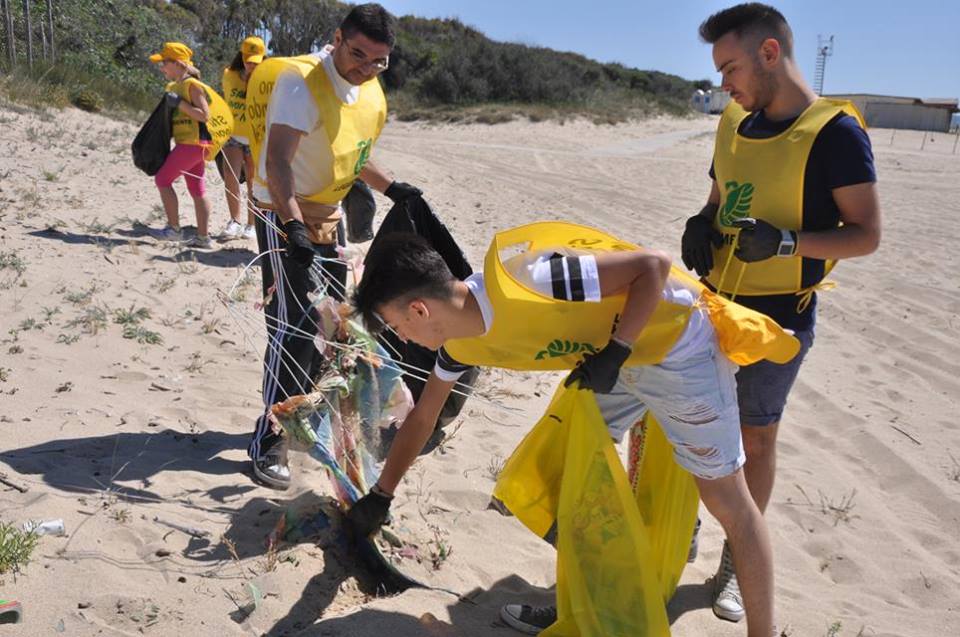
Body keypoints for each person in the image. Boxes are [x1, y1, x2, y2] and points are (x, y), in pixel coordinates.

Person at [348, 224, 800, 637]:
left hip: (676, 348)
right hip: (617, 361)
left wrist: (618, 351)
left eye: (395, 325)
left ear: (420, 308)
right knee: (561, 476)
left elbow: (653, 266)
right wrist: (381, 496)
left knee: (728, 499)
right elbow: (423, 418)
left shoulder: (529, 280)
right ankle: (586, 607)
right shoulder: (459, 344)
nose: (402, 337)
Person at [682, 3, 881, 623]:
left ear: (770, 54)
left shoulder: (835, 134)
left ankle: (734, 565)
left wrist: (790, 242)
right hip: (713, 302)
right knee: (680, 422)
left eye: (730, 68)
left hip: (777, 317)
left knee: (754, 438)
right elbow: (719, 198)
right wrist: (699, 222)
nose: (724, 85)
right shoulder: (733, 125)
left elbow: (866, 233)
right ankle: (672, 530)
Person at [247, 3, 423, 490]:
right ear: (337, 38)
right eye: (358, 54)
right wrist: (293, 227)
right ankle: (269, 437)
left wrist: (394, 188)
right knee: (294, 326)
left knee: (334, 326)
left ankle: (302, 415)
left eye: (378, 61)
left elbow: (352, 151)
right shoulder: (302, 84)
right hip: (285, 213)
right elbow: (278, 161)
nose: (365, 68)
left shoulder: (367, 87)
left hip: (330, 214)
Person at [148, 42, 217, 249]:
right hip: (194, 144)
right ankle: (203, 238)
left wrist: (179, 103)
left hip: (194, 143)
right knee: (197, 188)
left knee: (162, 179)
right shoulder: (177, 85)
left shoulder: (191, 85)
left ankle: (174, 229)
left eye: (164, 63)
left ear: (177, 63)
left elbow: (205, 116)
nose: (162, 68)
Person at [219, 36, 265, 241]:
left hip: (256, 138)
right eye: (248, 60)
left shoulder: (267, 80)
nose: (251, 64)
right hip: (233, 135)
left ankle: (252, 224)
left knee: (254, 184)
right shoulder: (229, 75)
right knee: (231, 177)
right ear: (241, 56)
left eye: (256, 61)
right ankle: (234, 221)